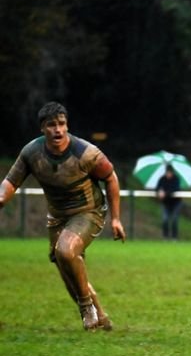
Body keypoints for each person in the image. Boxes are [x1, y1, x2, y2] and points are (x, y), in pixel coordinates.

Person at [0, 101, 126, 330]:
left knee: (66, 250)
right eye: (51, 125)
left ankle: (86, 308)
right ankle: (101, 319)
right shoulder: (31, 153)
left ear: (67, 126)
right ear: (42, 128)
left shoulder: (85, 153)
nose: (57, 130)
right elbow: (10, 182)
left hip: (89, 212)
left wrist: (116, 219)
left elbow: (111, 177)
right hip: (58, 216)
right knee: (66, 266)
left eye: (61, 124)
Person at [155, 164, 183, 240]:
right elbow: (157, 188)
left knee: (174, 219)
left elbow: (175, 189)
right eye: (167, 172)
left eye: (170, 172)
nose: (169, 174)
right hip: (166, 203)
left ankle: (174, 237)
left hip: (176, 203)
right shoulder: (162, 179)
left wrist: (165, 193)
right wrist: (159, 192)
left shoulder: (176, 179)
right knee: (165, 219)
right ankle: (165, 237)